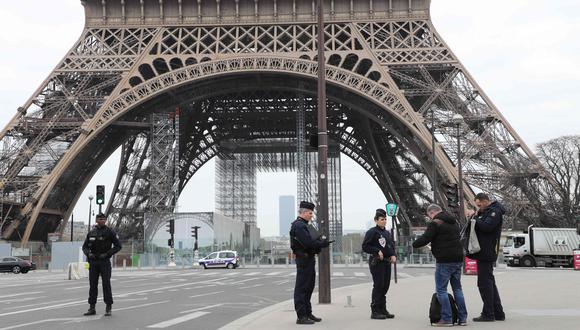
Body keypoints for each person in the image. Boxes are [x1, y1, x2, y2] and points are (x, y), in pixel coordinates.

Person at [412, 204, 468, 327]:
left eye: (429, 216)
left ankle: (447, 318)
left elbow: (426, 238)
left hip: (444, 260)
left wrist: (414, 244)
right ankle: (463, 318)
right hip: (458, 258)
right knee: (457, 288)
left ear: (432, 213)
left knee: (441, 290)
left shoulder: (435, 223)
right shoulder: (454, 222)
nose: (430, 218)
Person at [290, 201, 331, 325]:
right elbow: (308, 243)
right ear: (303, 212)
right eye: (310, 213)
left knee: (309, 287)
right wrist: (321, 244)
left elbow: (311, 242)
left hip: (309, 259)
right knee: (302, 288)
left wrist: (319, 243)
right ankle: (301, 316)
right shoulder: (299, 226)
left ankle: (307, 313)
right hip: (303, 259)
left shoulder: (305, 225)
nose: (311, 215)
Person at [466, 193, 506, 322]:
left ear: (485, 201)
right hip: (485, 250)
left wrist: (475, 219)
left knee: (484, 284)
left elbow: (487, 227)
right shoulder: (489, 211)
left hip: (486, 251)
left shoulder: (494, 212)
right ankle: (498, 313)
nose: (478, 207)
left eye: (479, 204)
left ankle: (488, 313)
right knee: (489, 283)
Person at [82, 213, 122, 316]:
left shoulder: (110, 232)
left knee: (106, 284)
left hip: (104, 261)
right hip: (94, 261)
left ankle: (108, 307)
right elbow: (85, 247)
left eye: (104, 219)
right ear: (96, 220)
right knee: (93, 285)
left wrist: (107, 254)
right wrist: (88, 254)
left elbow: (118, 246)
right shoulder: (91, 233)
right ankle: (92, 307)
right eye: (100, 219)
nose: (102, 220)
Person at [362, 208, 397, 320]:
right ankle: (375, 310)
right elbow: (365, 246)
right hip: (377, 262)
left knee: (385, 286)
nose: (384, 221)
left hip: (387, 262)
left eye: (385, 219)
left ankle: (382, 308)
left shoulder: (386, 233)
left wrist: (393, 254)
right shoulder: (372, 232)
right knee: (378, 285)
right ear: (376, 220)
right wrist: (377, 250)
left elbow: (390, 246)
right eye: (382, 219)